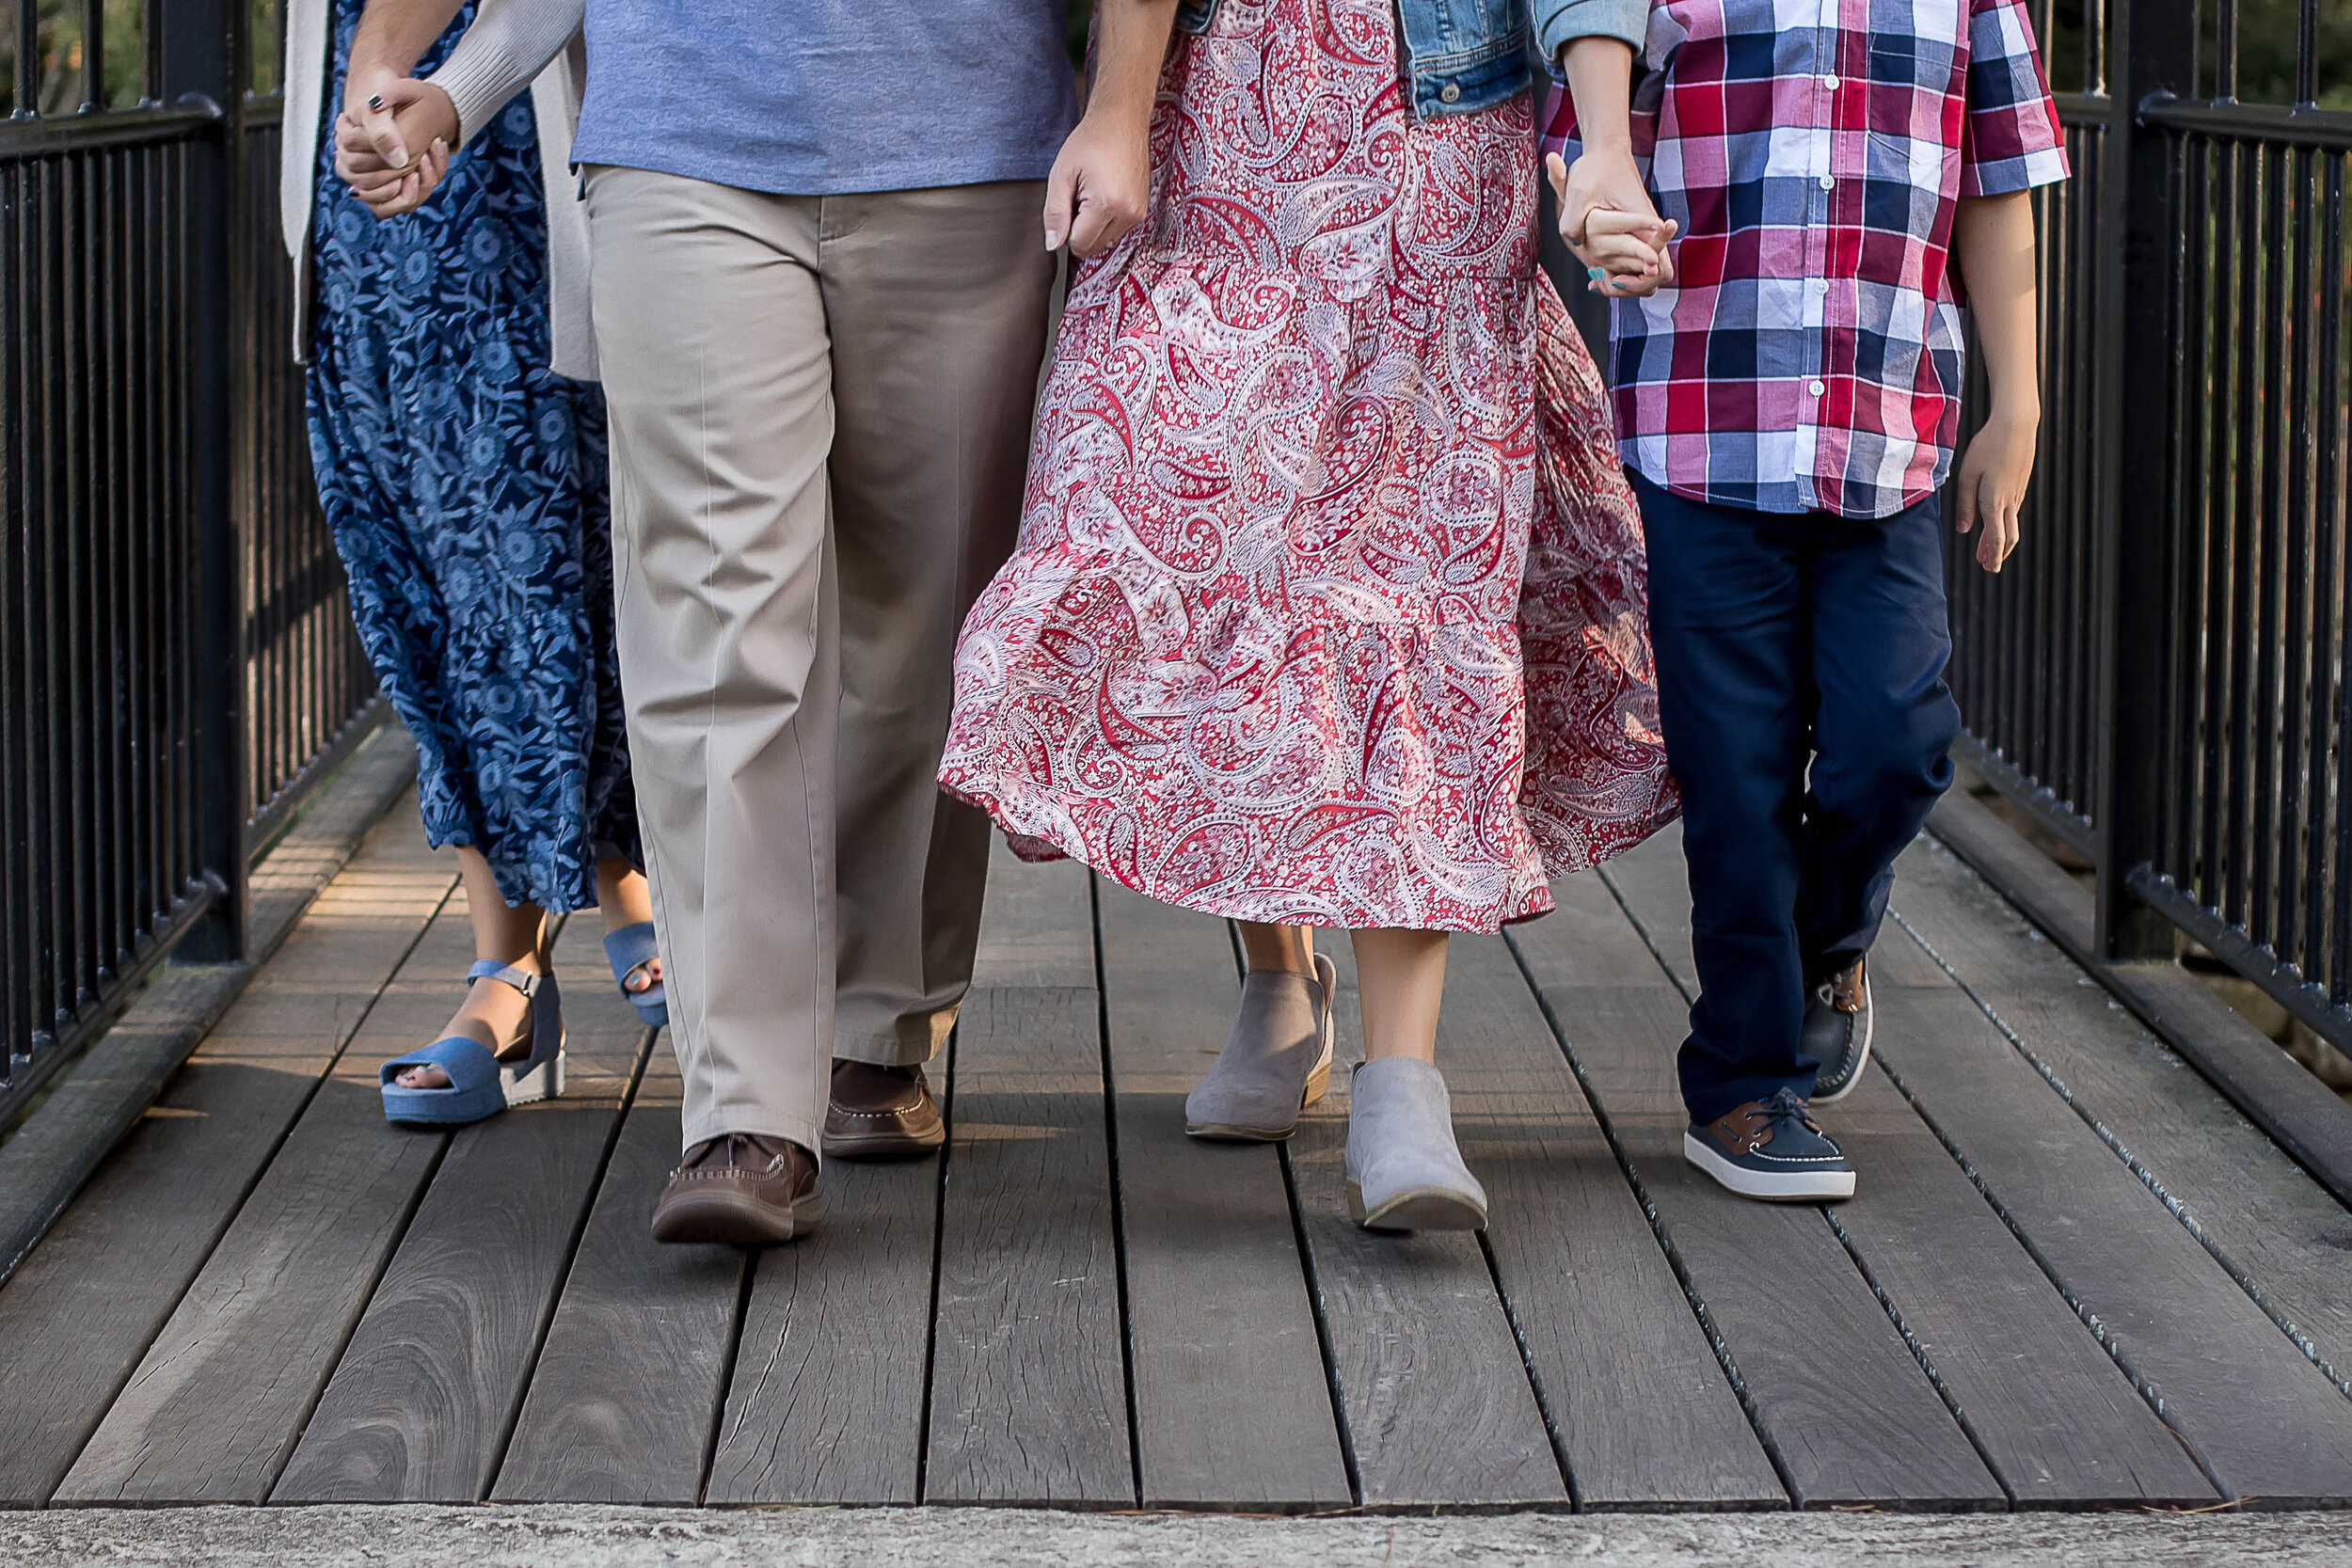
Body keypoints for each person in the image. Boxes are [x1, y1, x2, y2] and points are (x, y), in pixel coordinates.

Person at [337, 0, 1075, 1240]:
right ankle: (744, 1105)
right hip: (681, 148)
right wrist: (461, 87)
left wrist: (1121, 109)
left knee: (925, 629)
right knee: (717, 632)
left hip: (968, 147)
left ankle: (877, 1028)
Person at [941, 0, 1679, 1232]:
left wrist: (1602, 135)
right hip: (1223, 115)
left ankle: (1404, 1076)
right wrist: (1117, 111)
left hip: (1436, 145)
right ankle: (1280, 976)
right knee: (1199, 525)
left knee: (1409, 574)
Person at [1547, 0, 2066, 1199]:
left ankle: (1820, 942)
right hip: (1703, 441)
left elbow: (1997, 181)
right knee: (1735, 771)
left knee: (1899, 737)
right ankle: (1738, 1082)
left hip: (1886, 445)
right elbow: (1584, 142)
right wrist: (1598, 214)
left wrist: (2017, 403)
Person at [285, 0, 670, 1129]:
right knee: (423, 580)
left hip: (481, 151)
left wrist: (378, 69)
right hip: (365, 181)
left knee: (532, 565)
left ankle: (518, 969)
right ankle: (577, 916)